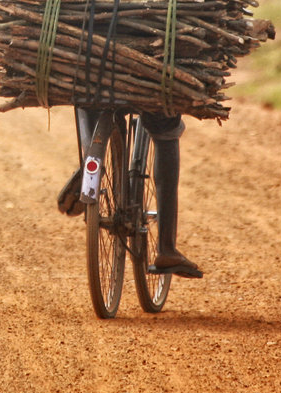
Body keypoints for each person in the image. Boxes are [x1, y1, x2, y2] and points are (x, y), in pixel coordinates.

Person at [56, 109, 204, 279]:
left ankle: (92, 158)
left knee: (85, 99)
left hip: (96, 86)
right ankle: (166, 249)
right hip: (150, 89)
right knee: (166, 128)